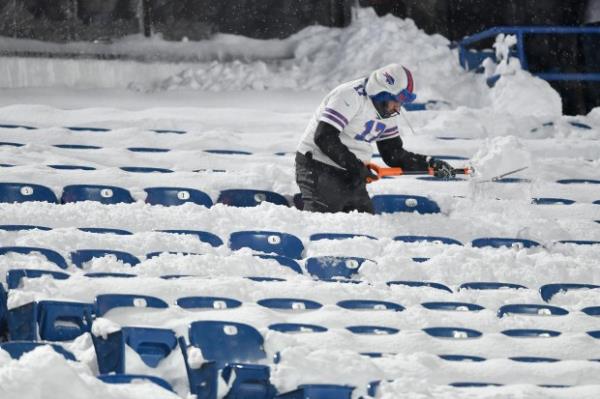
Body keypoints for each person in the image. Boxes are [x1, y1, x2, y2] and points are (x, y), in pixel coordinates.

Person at [295, 63, 454, 214]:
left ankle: (307, 201)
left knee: (363, 221)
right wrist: (357, 168)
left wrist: (429, 163)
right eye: (396, 102)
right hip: (318, 165)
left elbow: (393, 154)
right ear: (382, 94)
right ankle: (300, 205)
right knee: (325, 221)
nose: (398, 109)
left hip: (350, 170)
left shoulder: (386, 111)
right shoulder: (349, 95)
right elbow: (324, 137)